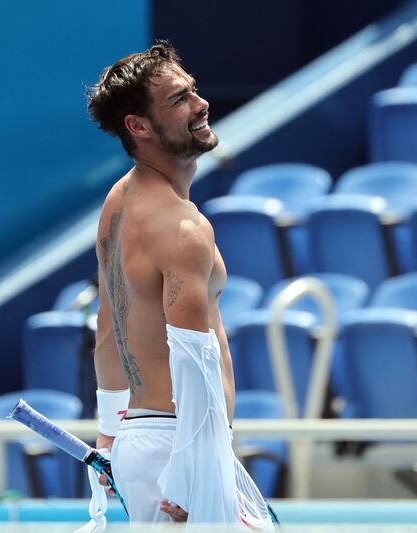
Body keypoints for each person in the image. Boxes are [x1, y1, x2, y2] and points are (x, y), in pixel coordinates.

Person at [86, 41, 272, 527]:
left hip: (146, 441)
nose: (200, 103)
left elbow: (110, 324)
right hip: (183, 449)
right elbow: (195, 362)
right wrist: (193, 474)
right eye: (178, 100)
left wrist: (110, 431)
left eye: (193, 91)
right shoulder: (183, 228)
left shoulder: (118, 203)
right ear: (138, 126)